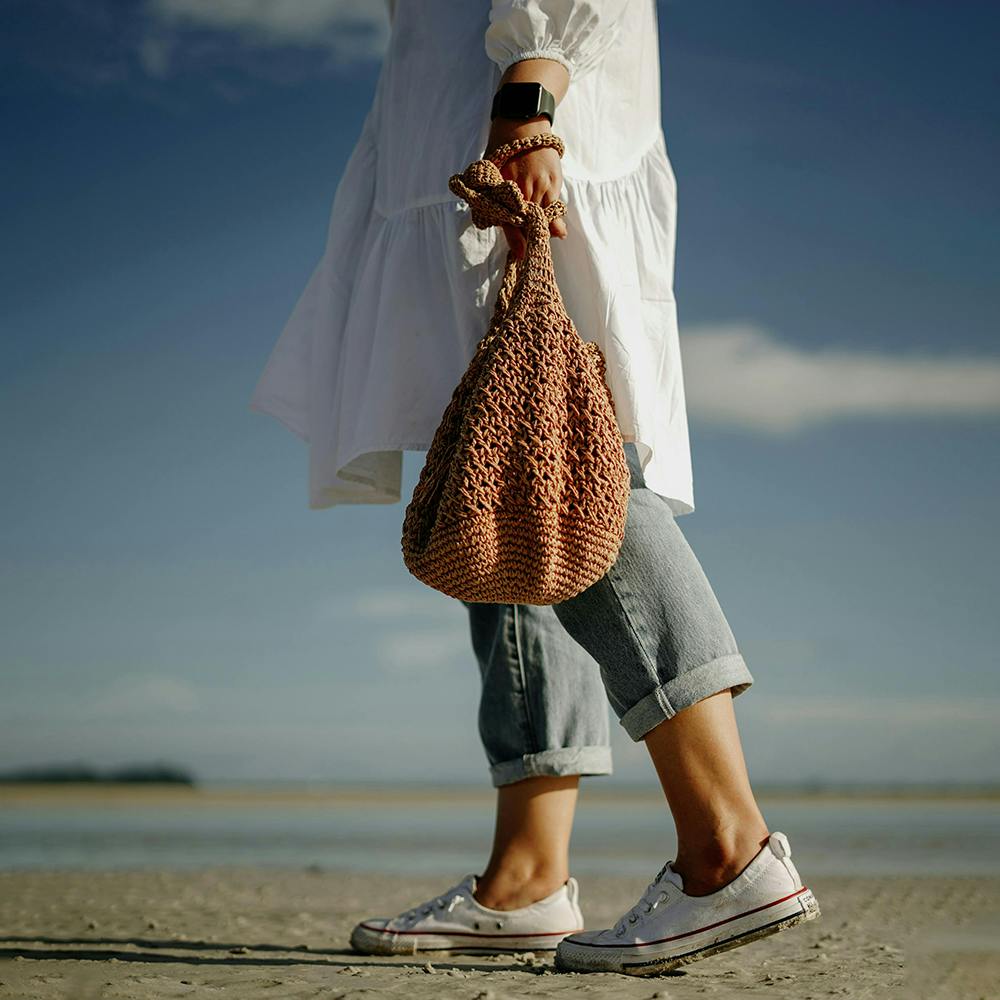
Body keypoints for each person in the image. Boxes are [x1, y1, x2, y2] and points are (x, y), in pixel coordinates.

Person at [250, 0, 821, 977]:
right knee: (497, 486)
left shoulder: (526, 95)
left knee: (559, 464)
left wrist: (531, 89)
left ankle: (727, 844)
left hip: (519, 127)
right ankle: (528, 876)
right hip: (481, 127)